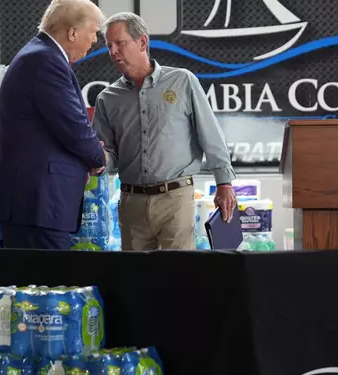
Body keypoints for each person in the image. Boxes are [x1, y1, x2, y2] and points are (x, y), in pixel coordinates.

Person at [92, 12, 238, 251]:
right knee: (137, 282)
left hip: (176, 199)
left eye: (120, 43)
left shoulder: (182, 81)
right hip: (131, 204)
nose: (113, 51)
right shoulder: (107, 99)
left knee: (178, 278)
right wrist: (99, 160)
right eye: (109, 46)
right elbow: (109, 154)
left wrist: (224, 184)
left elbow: (210, 135)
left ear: (142, 42)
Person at [0, 0, 107, 250]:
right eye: (93, 32)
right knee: (45, 283)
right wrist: (99, 157)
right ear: (73, 33)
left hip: (35, 204)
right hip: (37, 204)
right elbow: (73, 127)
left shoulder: (40, 55)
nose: (94, 40)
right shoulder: (44, 61)